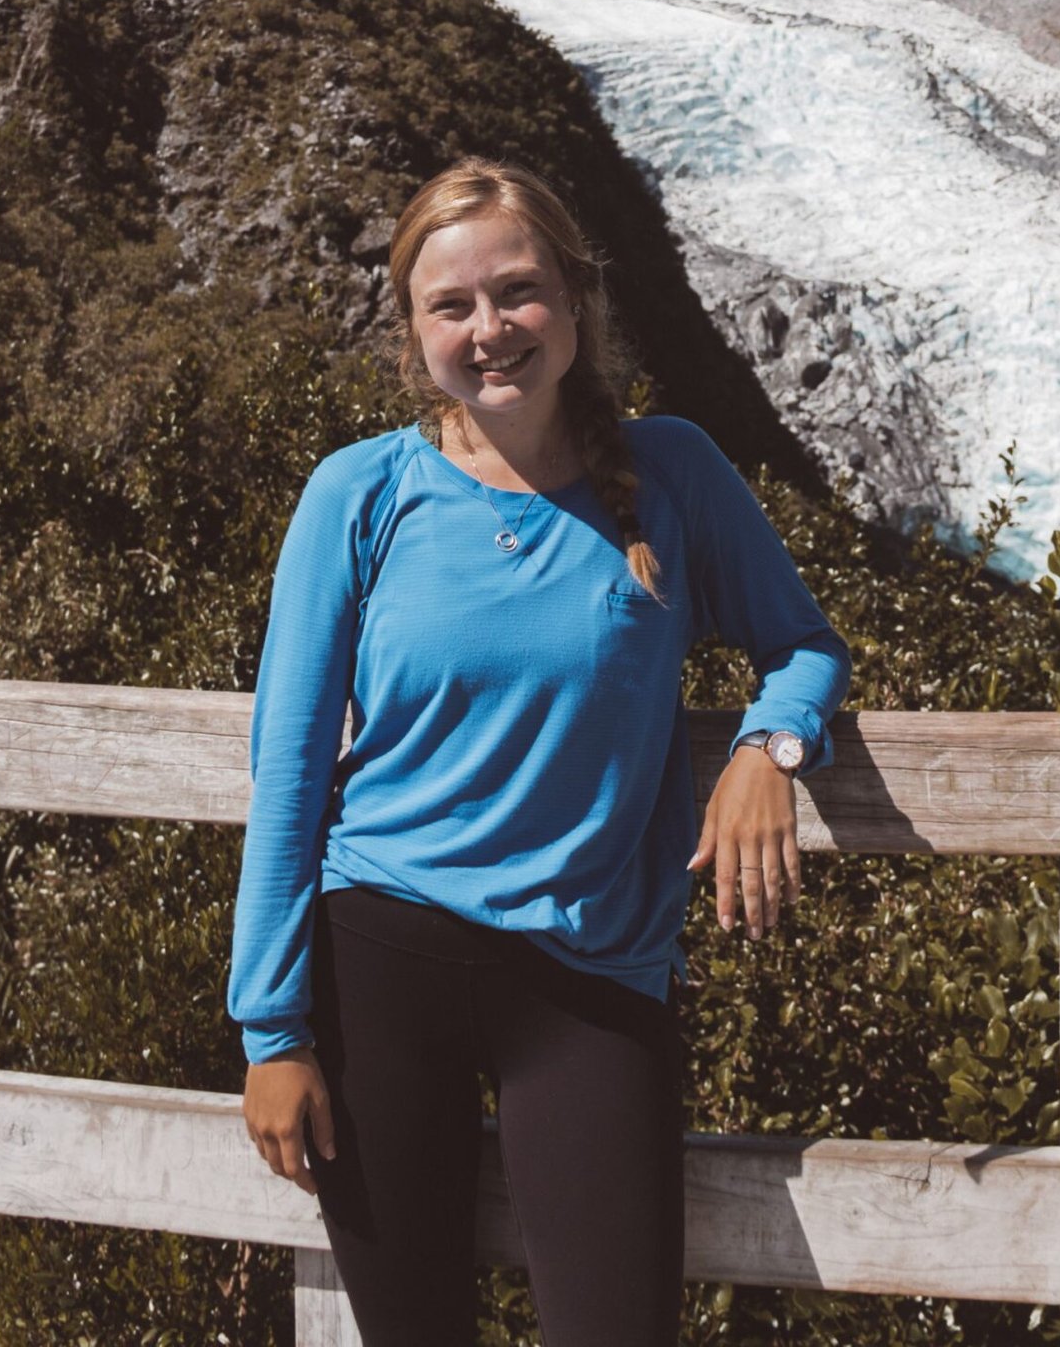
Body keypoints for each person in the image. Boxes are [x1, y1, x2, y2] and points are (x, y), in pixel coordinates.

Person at [228, 156, 852, 1346]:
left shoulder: (673, 472)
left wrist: (767, 750)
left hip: (592, 980)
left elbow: (805, 647)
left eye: (516, 291)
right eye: (451, 305)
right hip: (380, 964)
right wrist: (272, 1031)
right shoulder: (358, 494)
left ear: (574, 298)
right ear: (414, 330)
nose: (490, 329)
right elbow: (292, 770)